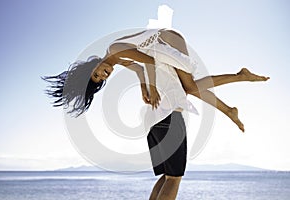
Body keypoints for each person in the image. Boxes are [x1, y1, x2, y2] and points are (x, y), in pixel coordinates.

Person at [42, 28, 269, 200]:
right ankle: (233, 97)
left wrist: (151, 86)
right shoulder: (115, 58)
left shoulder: (113, 50)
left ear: (91, 64)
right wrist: (144, 85)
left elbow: (149, 60)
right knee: (189, 89)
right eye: (101, 80)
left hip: (166, 40)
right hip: (159, 49)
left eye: (97, 74)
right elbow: (141, 67)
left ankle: (237, 87)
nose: (104, 75)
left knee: (188, 88)